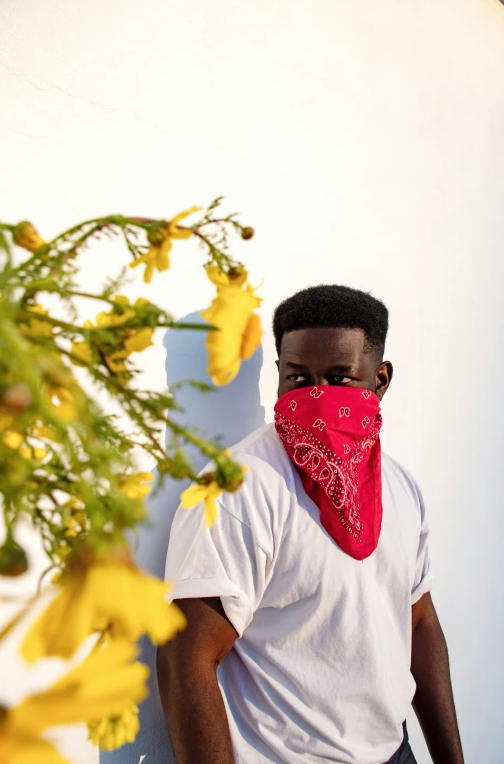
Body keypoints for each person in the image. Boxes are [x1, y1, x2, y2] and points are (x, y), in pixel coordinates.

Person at [157, 285, 464, 764]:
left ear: (380, 380)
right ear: (278, 376)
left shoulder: (401, 488)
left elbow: (419, 621)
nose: (318, 397)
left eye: (340, 379)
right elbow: (185, 659)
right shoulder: (238, 488)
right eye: (298, 379)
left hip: (392, 751)